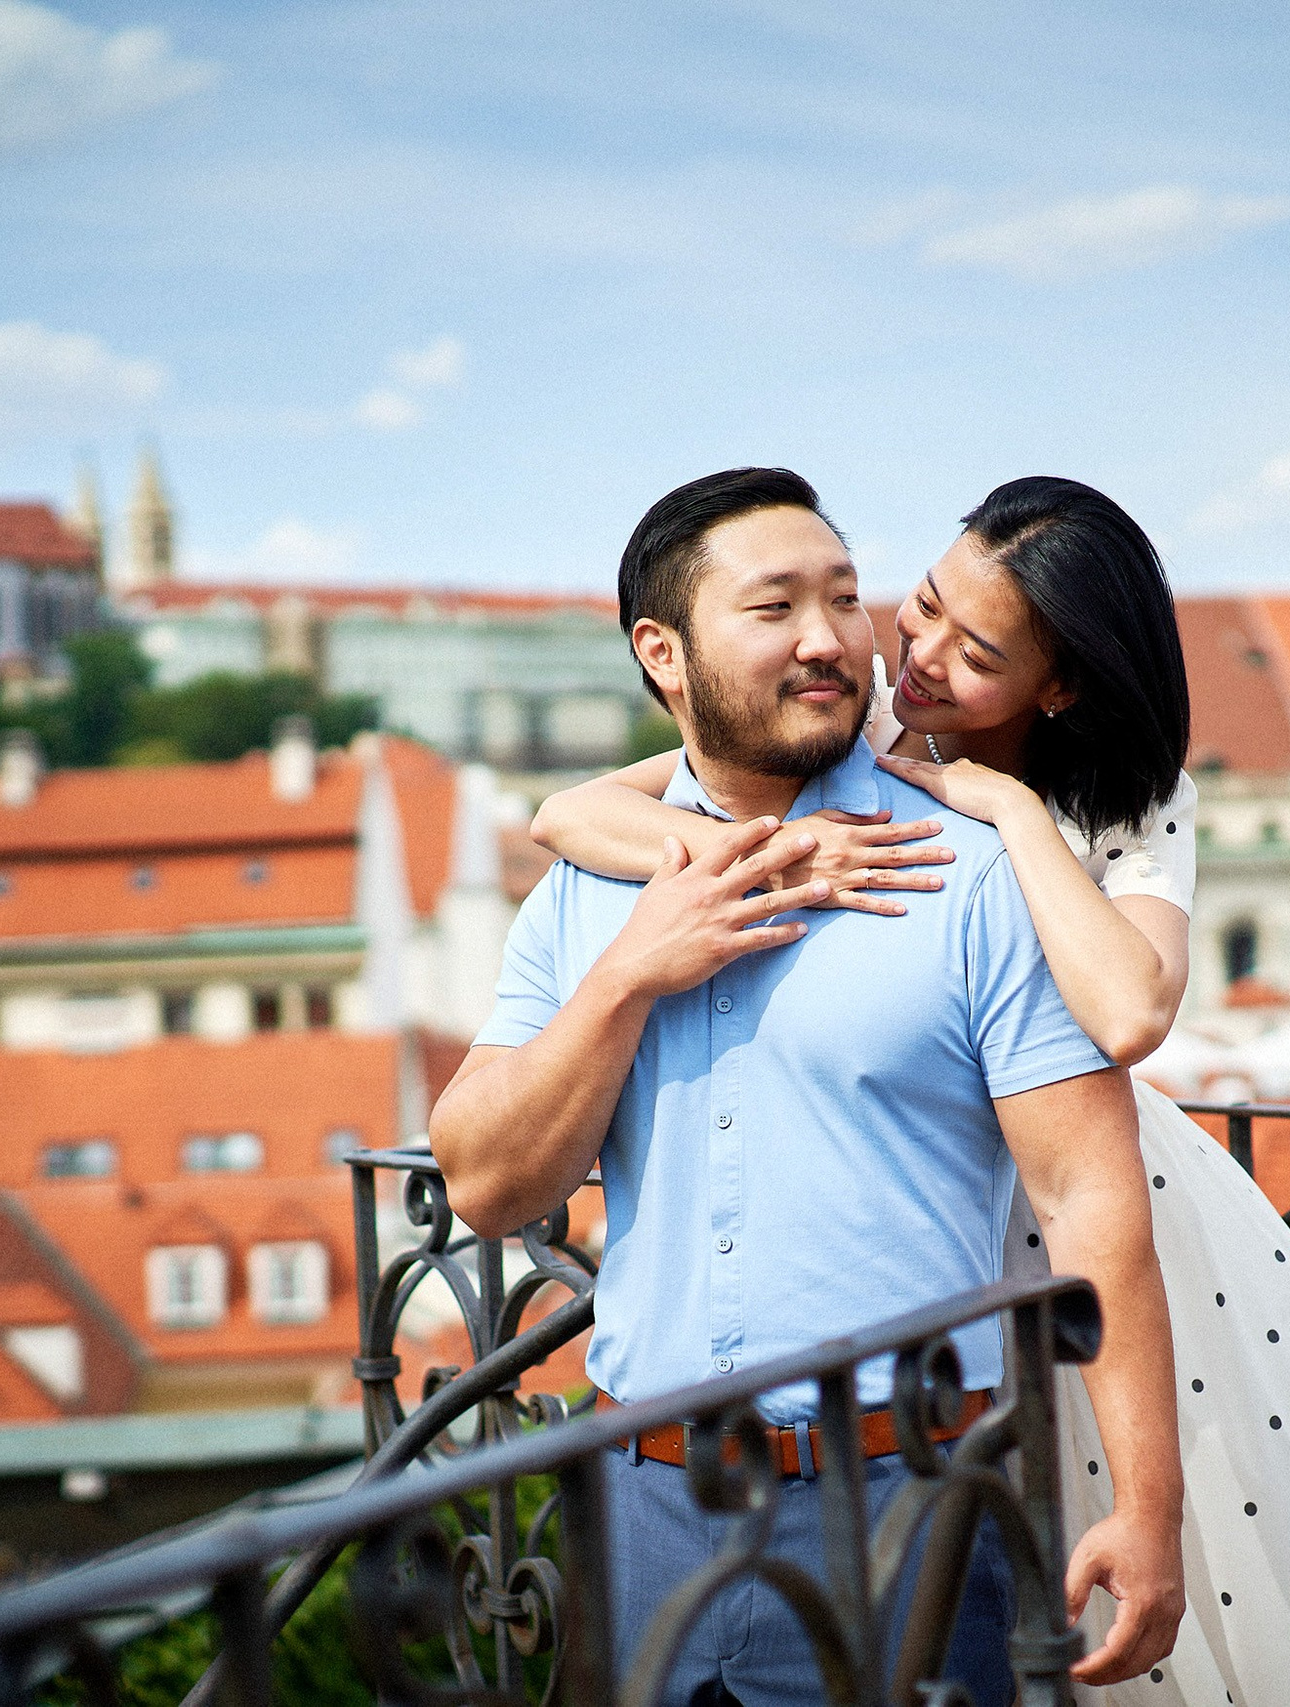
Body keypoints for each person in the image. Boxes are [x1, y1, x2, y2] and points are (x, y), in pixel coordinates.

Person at [533, 475, 1290, 1706]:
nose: (921, 657)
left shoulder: (1127, 798)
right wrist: (772, 855)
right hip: (942, 1210)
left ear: (1055, 686)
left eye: (976, 646)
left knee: (1207, 1571)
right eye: (923, 604)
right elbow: (566, 811)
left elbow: (1125, 1012)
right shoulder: (867, 724)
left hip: (1090, 1186)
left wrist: (1007, 812)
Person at [428, 467, 1187, 1707]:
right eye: (774, 607)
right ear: (662, 652)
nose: (832, 638)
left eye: (843, 597)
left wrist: (1150, 1513)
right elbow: (481, 1180)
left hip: (909, 1509)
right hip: (637, 1505)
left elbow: (1092, 1206)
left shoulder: (984, 872)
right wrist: (628, 977)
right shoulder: (588, 892)